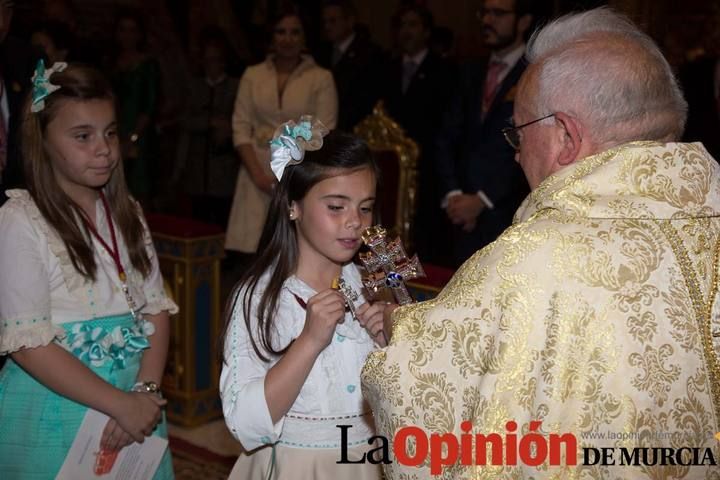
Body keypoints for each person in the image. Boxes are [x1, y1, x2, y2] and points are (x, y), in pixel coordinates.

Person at [362, 7, 720, 478]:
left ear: (567, 136)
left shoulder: (535, 257)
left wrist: (397, 329)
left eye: (518, 131)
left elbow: (430, 391)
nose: (515, 155)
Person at [0, 62, 177, 479]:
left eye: (111, 132)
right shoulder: (20, 220)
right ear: (41, 142)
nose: (104, 148)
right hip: (56, 406)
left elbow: (154, 307)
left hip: (134, 399)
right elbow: (28, 344)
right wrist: (119, 404)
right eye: (83, 136)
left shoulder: (125, 211)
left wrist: (144, 393)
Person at [221, 118, 386, 479]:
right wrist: (309, 342)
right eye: (336, 207)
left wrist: (390, 343)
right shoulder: (260, 298)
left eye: (365, 207)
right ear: (293, 206)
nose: (355, 222)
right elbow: (243, 423)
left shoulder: (370, 285)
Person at [225, 7, 338, 259]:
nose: (287, 39)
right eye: (281, 32)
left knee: (292, 254)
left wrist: (288, 176)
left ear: (304, 37)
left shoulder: (321, 78)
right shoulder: (252, 75)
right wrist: (259, 176)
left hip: (299, 174)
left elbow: (325, 130)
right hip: (254, 173)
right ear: (272, 37)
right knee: (251, 257)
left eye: (295, 32)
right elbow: (240, 128)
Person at [435, 0, 533, 267]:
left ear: (523, 21)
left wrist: (482, 199)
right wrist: (454, 194)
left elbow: (533, 144)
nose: (487, 20)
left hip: (506, 213)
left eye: (498, 13)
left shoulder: (534, 73)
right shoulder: (469, 70)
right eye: (484, 13)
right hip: (458, 216)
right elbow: (446, 137)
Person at [382, 4, 455, 265]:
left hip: (428, 172)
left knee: (424, 243)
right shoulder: (386, 67)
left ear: (426, 32)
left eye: (412, 25)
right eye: (401, 25)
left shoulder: (444, 71)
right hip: (391, 173)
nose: (406, 32)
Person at [175, 32, 240, 228]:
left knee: (223, 224)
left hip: (225, 174)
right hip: (197, 174)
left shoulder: (236, 87)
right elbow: (184, 120)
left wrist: (226, 127)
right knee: (197, 223)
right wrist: (209, 121)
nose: (212, 64)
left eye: (216, 59)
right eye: (207, 59)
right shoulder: (194, 87)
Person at [110, 9, 161, 202]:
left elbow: (149, 106)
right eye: (123, 30)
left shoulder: (148, 65)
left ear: (139, 34)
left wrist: (131, 139)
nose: (127, 36)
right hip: (113, 133)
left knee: (139, 192)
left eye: (132, 30)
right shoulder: (111, 64)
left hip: (140, 138)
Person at [317, 0, 385, 132]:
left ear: (350, 21)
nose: (327, 27)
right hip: (326, 125)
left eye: (332, 21)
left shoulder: (369, 53)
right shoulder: (321, 52)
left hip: (355, 128)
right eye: (324, 22)